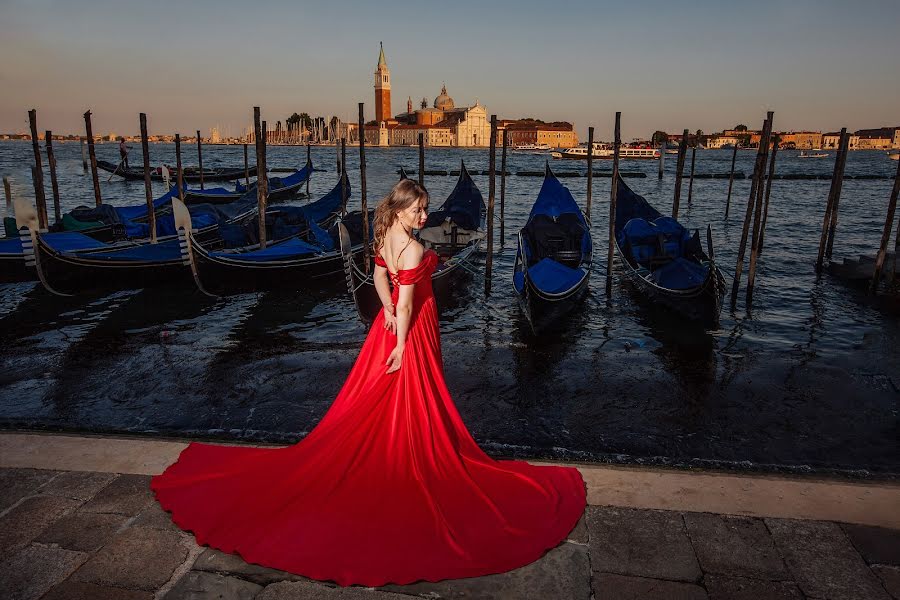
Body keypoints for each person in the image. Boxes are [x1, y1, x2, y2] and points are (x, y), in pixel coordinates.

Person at [150, 179, 586, 587]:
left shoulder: (385, 240)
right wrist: (401, 337)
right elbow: (412, 299)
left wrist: (387, 311)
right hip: (410, 328)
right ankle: (409, 448)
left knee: (378, 395)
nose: (423, 217)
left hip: (389, 322)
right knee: (413, 389)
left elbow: (381, 276)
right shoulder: (414, 249)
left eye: (425, 210)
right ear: (399, 209)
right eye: (418, 210)